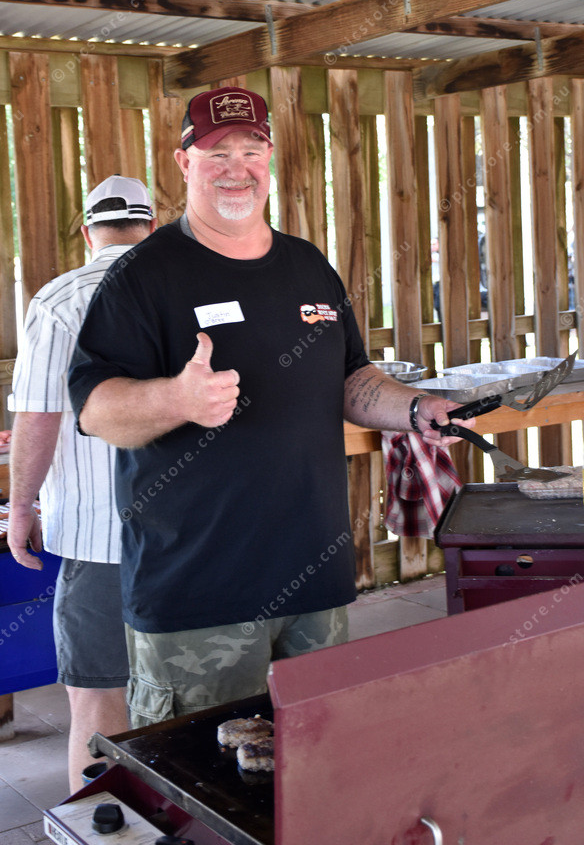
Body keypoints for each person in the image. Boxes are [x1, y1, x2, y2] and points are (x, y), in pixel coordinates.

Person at [68, 87, 471, 728]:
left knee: (316, 761)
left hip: (315, 579)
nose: (237, 168)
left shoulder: (308, 265)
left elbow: (351, 376)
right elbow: (94, 410)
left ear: (270, 158)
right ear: (184, 163)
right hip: (199, 593)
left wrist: (416, 408)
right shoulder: (143, 276)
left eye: (251, 150)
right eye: (217, 153)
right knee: (202, 777)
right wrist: (177, 398)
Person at [7, 175, 156, 791]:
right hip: (197, 534)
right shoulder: (189, 287)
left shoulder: (59, 299)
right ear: (151, 225)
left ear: (89, 231)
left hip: (99, 537)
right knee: (203, 691)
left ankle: (106, 824)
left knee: (98, 697)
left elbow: (39, 415)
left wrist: (21, 506)